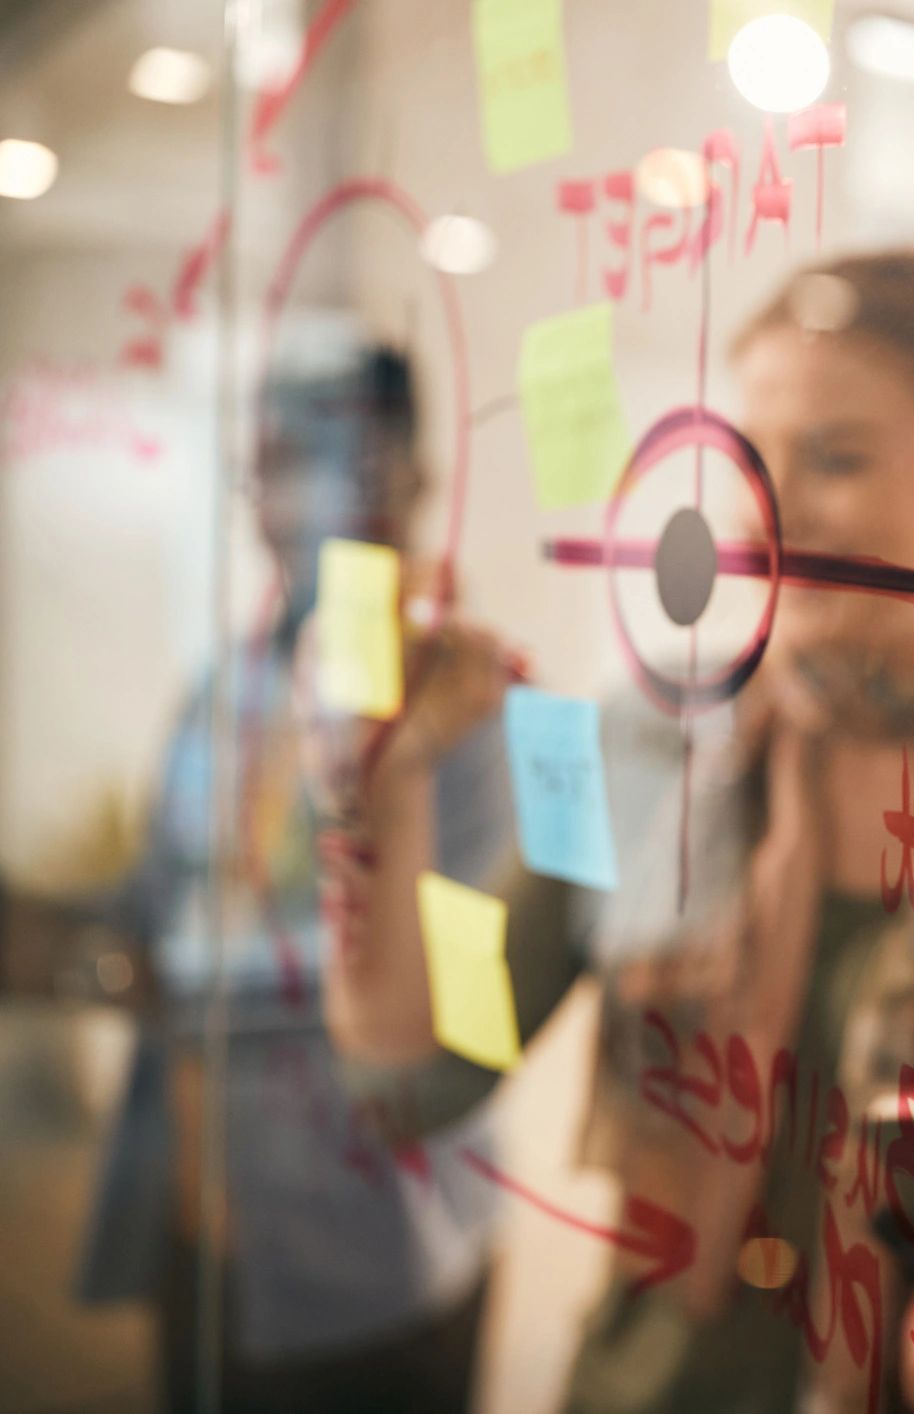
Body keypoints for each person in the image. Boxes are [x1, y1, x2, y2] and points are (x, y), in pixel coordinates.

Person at [313, 252, 914, 1413]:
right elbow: (418, 1077)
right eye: (750, 459)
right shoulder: (632, 742)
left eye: (834, 457)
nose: (766, 514)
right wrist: (394, 784)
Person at [73, 343, 507, 1414]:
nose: (301, 495)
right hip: (204, 1232)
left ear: (412, 475)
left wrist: (191, 965)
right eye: (273, 462)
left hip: (372, 1254)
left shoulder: (468, 698)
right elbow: (154, 900)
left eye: (340, 458)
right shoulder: (226, 682)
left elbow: (468, 997)